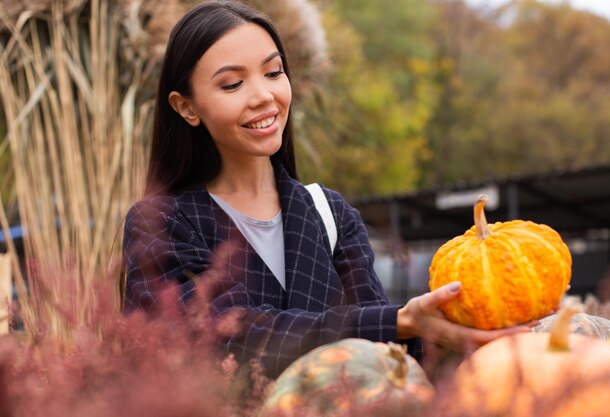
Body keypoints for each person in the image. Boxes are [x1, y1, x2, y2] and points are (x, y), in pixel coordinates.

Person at [122, 0, 531, 378]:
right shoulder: (159, 223)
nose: (264, 96)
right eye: (232, 84)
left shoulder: (330, 215)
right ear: (186, 107)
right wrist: (396, 321)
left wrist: (469, 331)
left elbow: (388, 357)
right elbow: (219, 336)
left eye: (273, 72)